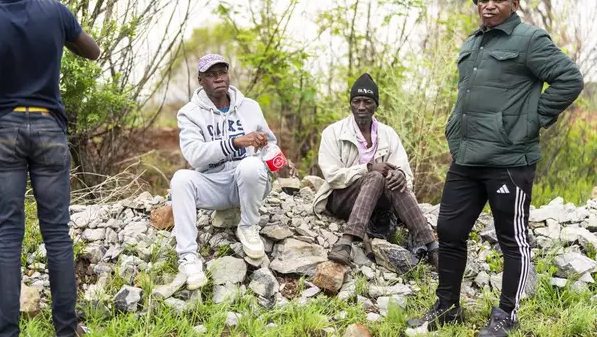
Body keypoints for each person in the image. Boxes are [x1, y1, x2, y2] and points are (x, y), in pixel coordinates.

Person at [407, 0, 584, 337]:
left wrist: (531, 121)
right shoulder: (472, 43)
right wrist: (454, 128)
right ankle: (447, 307)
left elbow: (569, 79)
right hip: (466, 158)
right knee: (450, 231)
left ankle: (506, 314)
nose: (489, 5)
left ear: (514, 4)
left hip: (509, 159)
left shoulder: (529, 39)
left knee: (511, 238)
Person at [0, 0, 100, 336]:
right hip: (49, 131)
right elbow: (92, 51)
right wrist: (62, 31)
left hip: (3, 132)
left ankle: (8, 333)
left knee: (8, 235)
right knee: (56, 233)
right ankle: (66, 331)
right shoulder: (54, 12)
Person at [171, 54, 295, 290]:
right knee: (180, 179)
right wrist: (235, 142)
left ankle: (248, 226)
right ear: (200, 80)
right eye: (211, 74)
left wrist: (281, 162)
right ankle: (188, 258)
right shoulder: (189, 113)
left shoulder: (249, 107)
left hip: (248, 182)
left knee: (250, 165)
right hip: (213, 184)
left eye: (222, 72)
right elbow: (195, 155)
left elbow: (268, 143)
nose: (219, 78)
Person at [313, 73, 438, 267]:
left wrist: (400, 176)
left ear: (376, 105)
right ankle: (347, 241)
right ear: (351, 104)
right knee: (376, 177)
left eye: (367, 102)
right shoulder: (333, 132)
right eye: (357, 101)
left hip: (378, 206)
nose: (361, 107)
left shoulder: (388, 134)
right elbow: (332, 176)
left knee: (391, 179)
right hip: (342, 199)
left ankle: (432, 247)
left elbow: (406, 174)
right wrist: (368, 168)